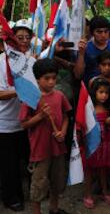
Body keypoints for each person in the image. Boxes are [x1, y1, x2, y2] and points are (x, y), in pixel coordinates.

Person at [19, 59, 71, 214]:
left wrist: (63, 131)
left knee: (57, 180)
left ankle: (54, 208)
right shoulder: (30, 98)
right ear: (37, 79)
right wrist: (40, 116)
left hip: (58, 147)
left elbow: (67, 116)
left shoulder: (60, 95)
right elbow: (24, 124)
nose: (51, 82)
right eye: (46, 78)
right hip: (40, 150)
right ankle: (37, 211)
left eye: (54, 78)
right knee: (39, 183)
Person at [0, 24, 33, 212]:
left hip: (27, 122)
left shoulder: (30, 61)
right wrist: (18, 90)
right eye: (19, 37)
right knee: (9, 165)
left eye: (27, 37)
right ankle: (10, 198)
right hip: (5, 123)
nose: (23, 41)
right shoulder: (0, 62)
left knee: (29, 160)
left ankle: (32, 193)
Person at [84, 78, 110, 209]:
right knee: (90, 170)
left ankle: (104, 191)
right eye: (101, 92)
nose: (104, 95)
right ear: (94, 92)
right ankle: (88, 194)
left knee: (103, 168)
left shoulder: (108, 108)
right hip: (92, 144)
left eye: (106, 93)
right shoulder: (88, 107)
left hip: (105, 142)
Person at [74, 16, 110, 85]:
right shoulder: (85, 48)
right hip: (91, 89)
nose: (103, 35)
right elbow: (78, 75)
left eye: (106, 31)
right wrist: (81, 54)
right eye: (99, 32)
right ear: (92, 33)